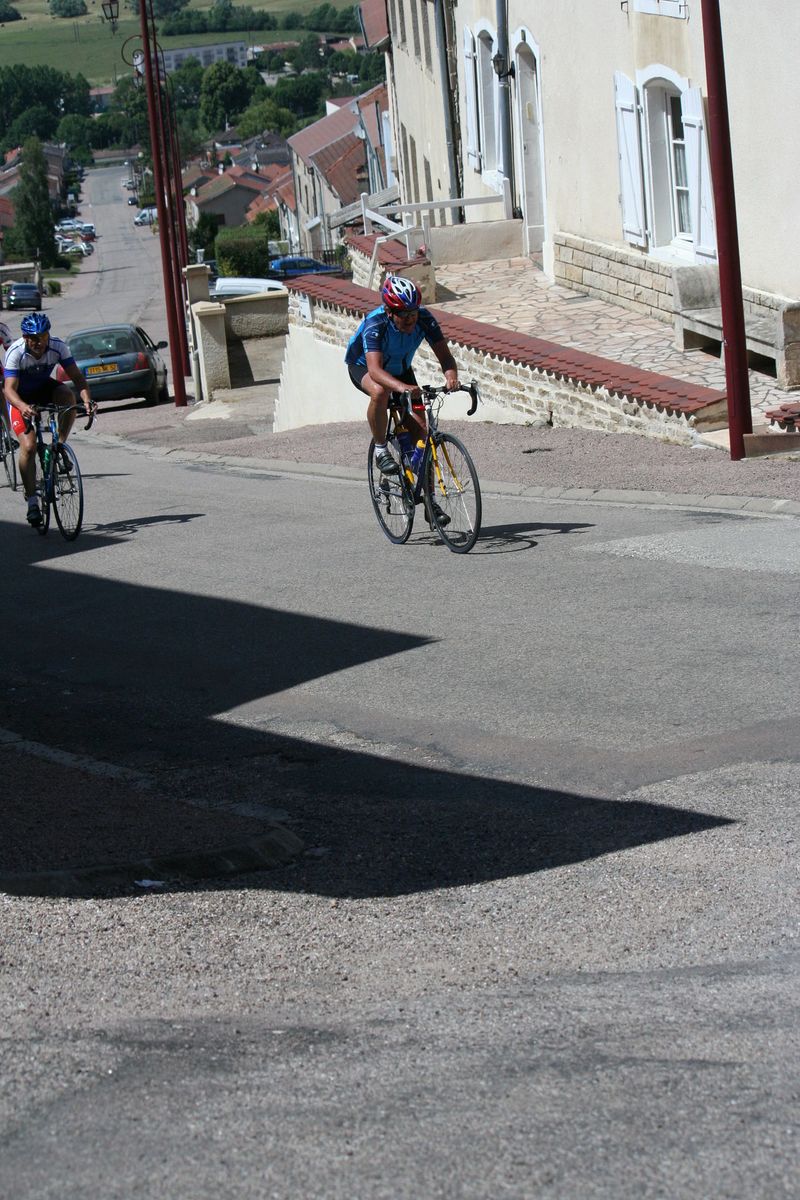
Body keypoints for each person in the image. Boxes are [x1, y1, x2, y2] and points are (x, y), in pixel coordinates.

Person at [345, 275, 459, 478]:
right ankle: (381, 450)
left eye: (413, 312)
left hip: (400, 369)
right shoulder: (375, 323)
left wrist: (451, 377)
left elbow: (445, 357)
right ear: (389, 311)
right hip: (363, 367)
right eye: (404, 314)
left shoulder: (424, 318)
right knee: (380, 391)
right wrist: (401, 388)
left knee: (422, 434)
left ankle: (427, 494)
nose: (410, 319)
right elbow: (375, 371)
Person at [3, 312, 93, 527]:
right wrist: (23, 407)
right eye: (34, 338)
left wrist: (87, 400)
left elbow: (77, 378)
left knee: (67, 396)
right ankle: (32, 501)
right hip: (20, 398)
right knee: (29, 446)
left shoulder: (58, 347)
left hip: (43, 389)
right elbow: (9, 390)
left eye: (43, 336)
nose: (40, 342)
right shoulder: (15, 352)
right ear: (25, 338)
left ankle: (59, 444)